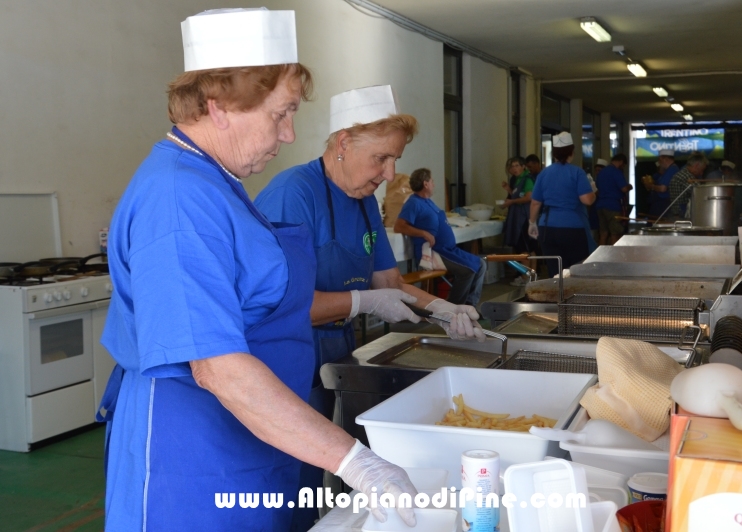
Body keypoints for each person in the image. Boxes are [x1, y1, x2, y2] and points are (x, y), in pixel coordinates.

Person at [98, 10, 418, 531]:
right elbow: (217, 367)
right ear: (219, 106)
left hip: (252, 434)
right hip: (195, 453)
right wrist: (356, 462)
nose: (289, 135)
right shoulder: (178, 197)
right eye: (280, 114)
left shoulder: (217, 183)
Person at [254, 85, 485, 530]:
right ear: (343, 143)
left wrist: (442, 307)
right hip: (284, 361)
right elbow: (279, 307)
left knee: (316, 478)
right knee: (279, 483)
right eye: (381, 158)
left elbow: (390, 283)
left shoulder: (363, 205)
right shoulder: (293, 194)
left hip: (333, 357)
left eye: (395, 159)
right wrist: (362, 301)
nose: (390, 172)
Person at [394, 168, 486, 306]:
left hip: (448, 249)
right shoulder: (413, 203)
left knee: (481, 265)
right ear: (425, 184)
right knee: (467, 271)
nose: (434, 184)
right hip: (435, 252)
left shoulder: (429, 201)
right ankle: (453, 309)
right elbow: (399, 226)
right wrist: (423, 233)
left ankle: (469, 305)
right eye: (432, 181)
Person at [528, 131, 597, 276]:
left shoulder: (544, 173)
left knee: (555, 270)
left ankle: (557, 296)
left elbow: (535, 203)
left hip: (547, 228)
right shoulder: (577, 173)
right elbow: (587, 200)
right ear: (572, 152)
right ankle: (573, 297)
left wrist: (532, 223)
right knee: (575, 270)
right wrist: (593, 191)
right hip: (573, 228)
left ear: (554, 154)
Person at [501, 156, 537, 285]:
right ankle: (532, 276)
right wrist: (509, 190)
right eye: (512, 166)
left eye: (517, 165)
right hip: (521, 216)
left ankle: (525, 278)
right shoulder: (516, 180)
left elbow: (529, 197)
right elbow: (518, 194)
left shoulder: (527, 179)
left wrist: (511, 201)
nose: (514, 169)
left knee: (525, 249)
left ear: (523, 166)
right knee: (530, 248)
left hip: (524, 217)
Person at [595, 154, 632, 245]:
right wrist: (630, 186)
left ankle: (601, 256)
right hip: (613, 206)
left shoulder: (601, 173)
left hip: (600, 205)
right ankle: (613, 258)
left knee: (603, 233)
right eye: (623, 165)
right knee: (615, 233)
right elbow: (624, 188)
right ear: (621, 162)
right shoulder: (616, 172)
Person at [668, 152, 709, 218]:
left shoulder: (683, 174)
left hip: (680, 214)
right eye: (702, 170)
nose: (701, 173)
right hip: (682, 216)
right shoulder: (686, 177)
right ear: (696, 165)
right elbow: (700, 193)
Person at [644, 149, 679, 220]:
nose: (659, 162)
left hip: (663, 203)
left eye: (660, 160)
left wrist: (651, 186)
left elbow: (663, 188)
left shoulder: (672, 170)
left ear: (665, 159)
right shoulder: (668, 170)